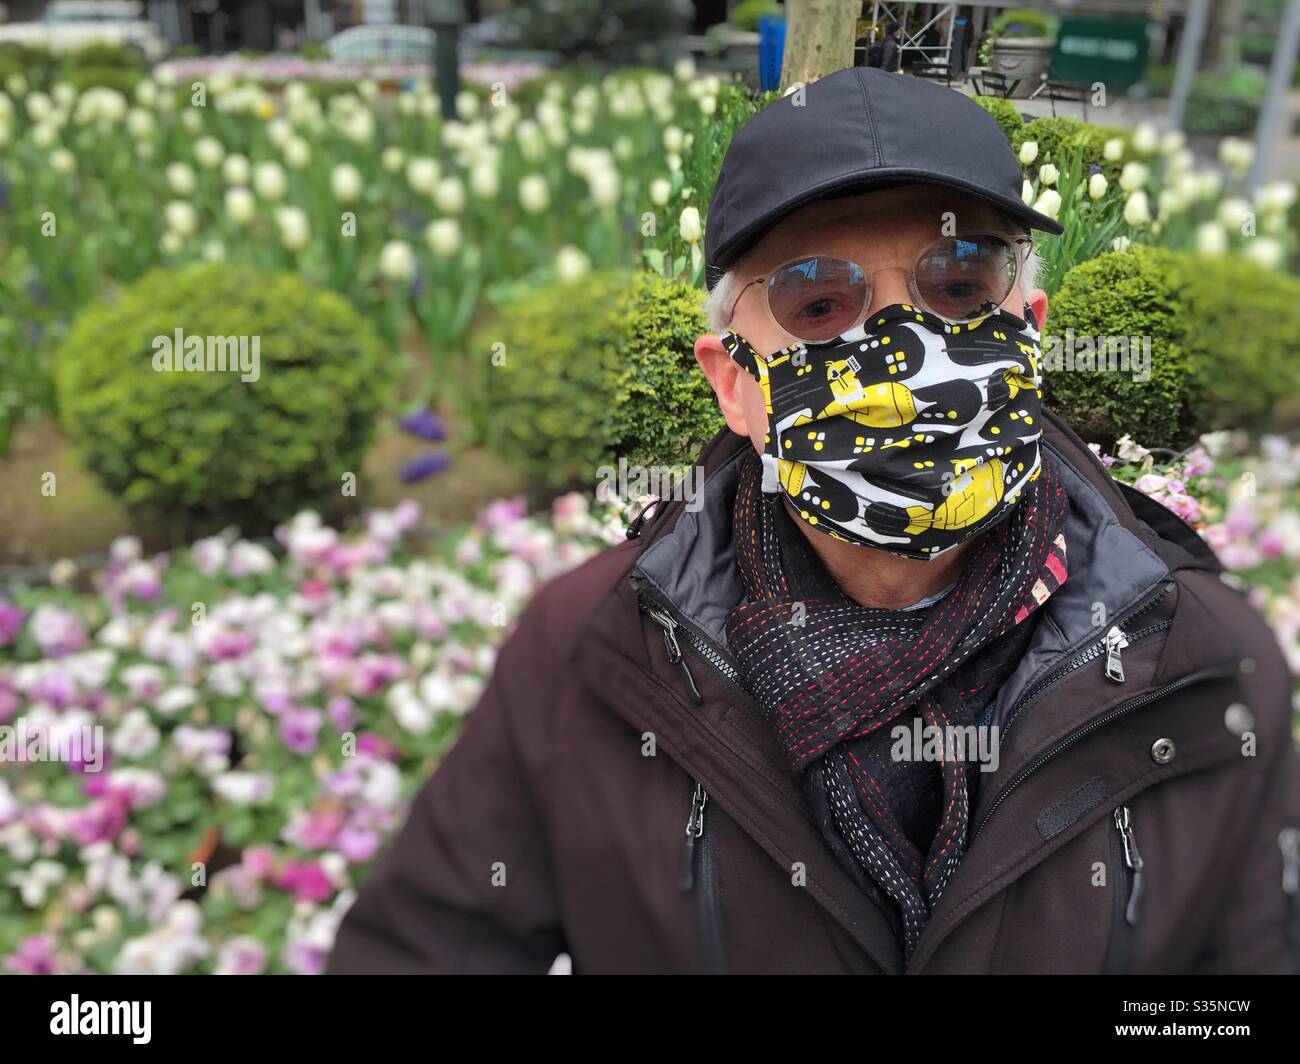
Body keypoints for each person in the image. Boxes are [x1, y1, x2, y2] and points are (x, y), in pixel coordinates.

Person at [328, 68, 1300, 975]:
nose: (904, 348)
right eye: (817, 302)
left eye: (959, 285)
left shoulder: (1202, 666)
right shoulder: (595, 654)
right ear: (733, 386)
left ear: (1027, 337)